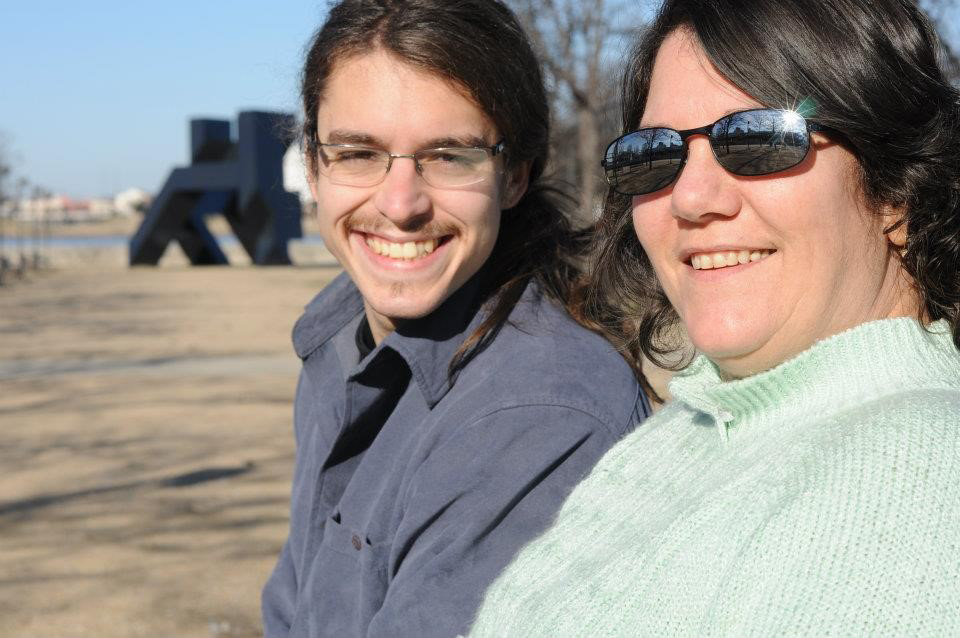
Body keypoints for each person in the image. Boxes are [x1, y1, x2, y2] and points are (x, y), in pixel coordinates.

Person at [471, 0, 960, 634]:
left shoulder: (913, 479)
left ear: (897, 189)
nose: (690, 198)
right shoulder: (694, 429)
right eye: (655, 153)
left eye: (761, 139)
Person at [260, 1, 651, 636]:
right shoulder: (337, 343)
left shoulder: (536, 415)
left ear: (515, 176)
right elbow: (292, 611)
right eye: (359, 152)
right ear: (313, 165)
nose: (401, 203)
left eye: (449, 156)